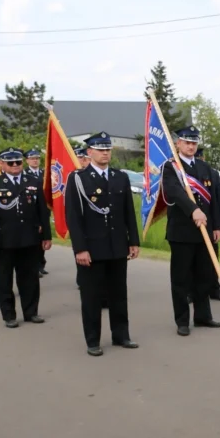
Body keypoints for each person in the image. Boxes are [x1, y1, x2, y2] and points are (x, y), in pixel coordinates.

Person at [64, 132, 141, 357]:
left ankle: (121, 335)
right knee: (91, 296)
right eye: (100, 149)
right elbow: (74, 217)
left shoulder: (120, 177)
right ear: (90, 152)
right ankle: (93, 340)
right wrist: (80, 248)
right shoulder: (78, 179)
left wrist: (133, 241)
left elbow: (128, 212)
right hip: (92, 248)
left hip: (117, 245)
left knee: (119, 294)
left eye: (107, 149)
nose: (105, 153)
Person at [161, 126, 220, 336]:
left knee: (204, 277)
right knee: (181, 279)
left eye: (194, 143)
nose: (190, 146)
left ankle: (203, 316)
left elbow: (216, 199)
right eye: (187, 142)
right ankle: (182, 320)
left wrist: (218, 225)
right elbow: (175, 193)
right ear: (178, 143)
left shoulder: (206, 169)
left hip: (205, 233)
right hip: (181, 233)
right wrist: (193, 210)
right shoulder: (171, 168)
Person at [0, 148, 53, 328]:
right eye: (10, 162)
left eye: (18, 162)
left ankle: (31, 312)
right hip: (4, 240)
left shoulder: (33, 182)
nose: (15, 165)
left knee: (29, 278)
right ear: (2, 164)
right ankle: (9, 315)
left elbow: (42, 212)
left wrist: (46, 236)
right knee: (4, 280)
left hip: (29, 239)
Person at [196, 147, 220, 303]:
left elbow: (218, 201)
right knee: (194, 263)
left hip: (210, 225)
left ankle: (214, 289)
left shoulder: (212, 173)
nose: (200, 160)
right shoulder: (184, 173)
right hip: (192, 225)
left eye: (201, 157)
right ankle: (192, 291)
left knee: (212, 258)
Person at [25, 148, 49, 277]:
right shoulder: (24, 174)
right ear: (27, 160)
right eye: (32, 158)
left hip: (44, 209)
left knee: (43, 238)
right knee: (34, 239)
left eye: (37, 158)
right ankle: (34, 266)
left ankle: (41, 263)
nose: (35, 161)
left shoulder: (44, 173)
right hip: (32, 210)